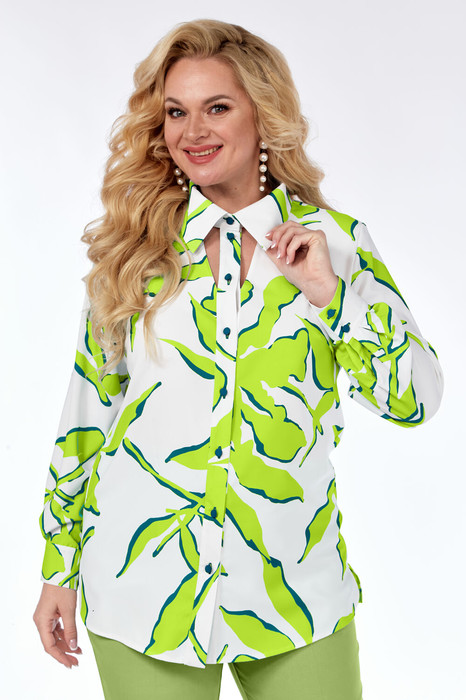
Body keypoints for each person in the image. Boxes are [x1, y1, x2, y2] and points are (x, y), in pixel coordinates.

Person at [32, 18, 444, 700]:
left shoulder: (335, 244)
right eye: (176, 112)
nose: (193, 131)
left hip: (296, 595)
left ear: (263, 115)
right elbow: (86, 418)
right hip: (142, 593)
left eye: (217, 107)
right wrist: (58, 567)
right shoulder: (135, 252)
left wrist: (329, 295)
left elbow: (416, 400)